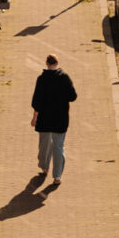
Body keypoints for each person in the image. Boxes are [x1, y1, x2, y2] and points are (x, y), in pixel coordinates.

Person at [30, 53, 77, 187]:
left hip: (44, 119)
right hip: (60, 118)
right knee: (58, 146)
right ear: (57, 63)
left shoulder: (41, 79)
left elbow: (36, 102)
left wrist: (34, 118)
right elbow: (73, 96)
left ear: (46, 64)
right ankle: (57, 176)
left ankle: (44, 167)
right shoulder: (65, 78)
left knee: (44, 144)